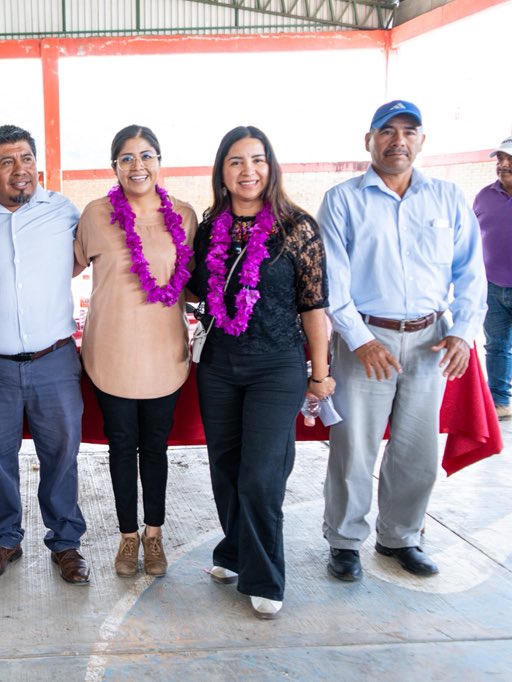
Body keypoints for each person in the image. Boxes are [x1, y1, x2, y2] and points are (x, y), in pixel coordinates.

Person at [320, 100, 486, 582]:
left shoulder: (447, 198)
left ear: (422, 140)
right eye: (387, 131)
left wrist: (462, 333)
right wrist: (359, 339)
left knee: (417, 448)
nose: (398, 141)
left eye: (409, 131)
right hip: (365, 339)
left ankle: (400, 537)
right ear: (368, 140)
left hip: (431, 340)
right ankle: (344, 541)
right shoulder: (343, 200)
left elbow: (471, 273)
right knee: (354, 446)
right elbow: (332, 280)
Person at [188, 126, 332, 619]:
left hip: (277, 364)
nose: (247, 170)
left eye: (257, 159)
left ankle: (265, 576)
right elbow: (194, 287)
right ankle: (233, 550)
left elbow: (314, 307)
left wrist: (320, 374)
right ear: (222, 172)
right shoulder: (210, 227)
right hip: (219, 365)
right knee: (226, 467)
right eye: (236, 161)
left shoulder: (297, 228)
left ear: (271, 166)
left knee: (262, 474)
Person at [0, 124, 90, 584]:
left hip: (54, 360)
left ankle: (66, 543)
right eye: (8, 161)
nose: (21, 170)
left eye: (28, 158)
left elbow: (82, 258)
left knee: (62, 453)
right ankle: (4, 539)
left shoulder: (63, 211)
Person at [74, 125, 197, 578]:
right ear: (114, 167)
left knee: (156, 447)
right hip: (111, 352)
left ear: (159, 161)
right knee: (122, 446)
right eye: (126, 158)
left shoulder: (183, 216)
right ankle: (128, 537)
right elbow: (63, 267)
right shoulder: (95, 214)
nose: (137, 165)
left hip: (163, 352)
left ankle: (154, 533)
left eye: (146, 155)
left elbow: (197, 280)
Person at [473, 135, 512, 421]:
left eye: (509, 159)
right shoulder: (484, 196)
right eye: (500, 158)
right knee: (496, 345)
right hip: (492, 285)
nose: (503, 164)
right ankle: (499, 401)